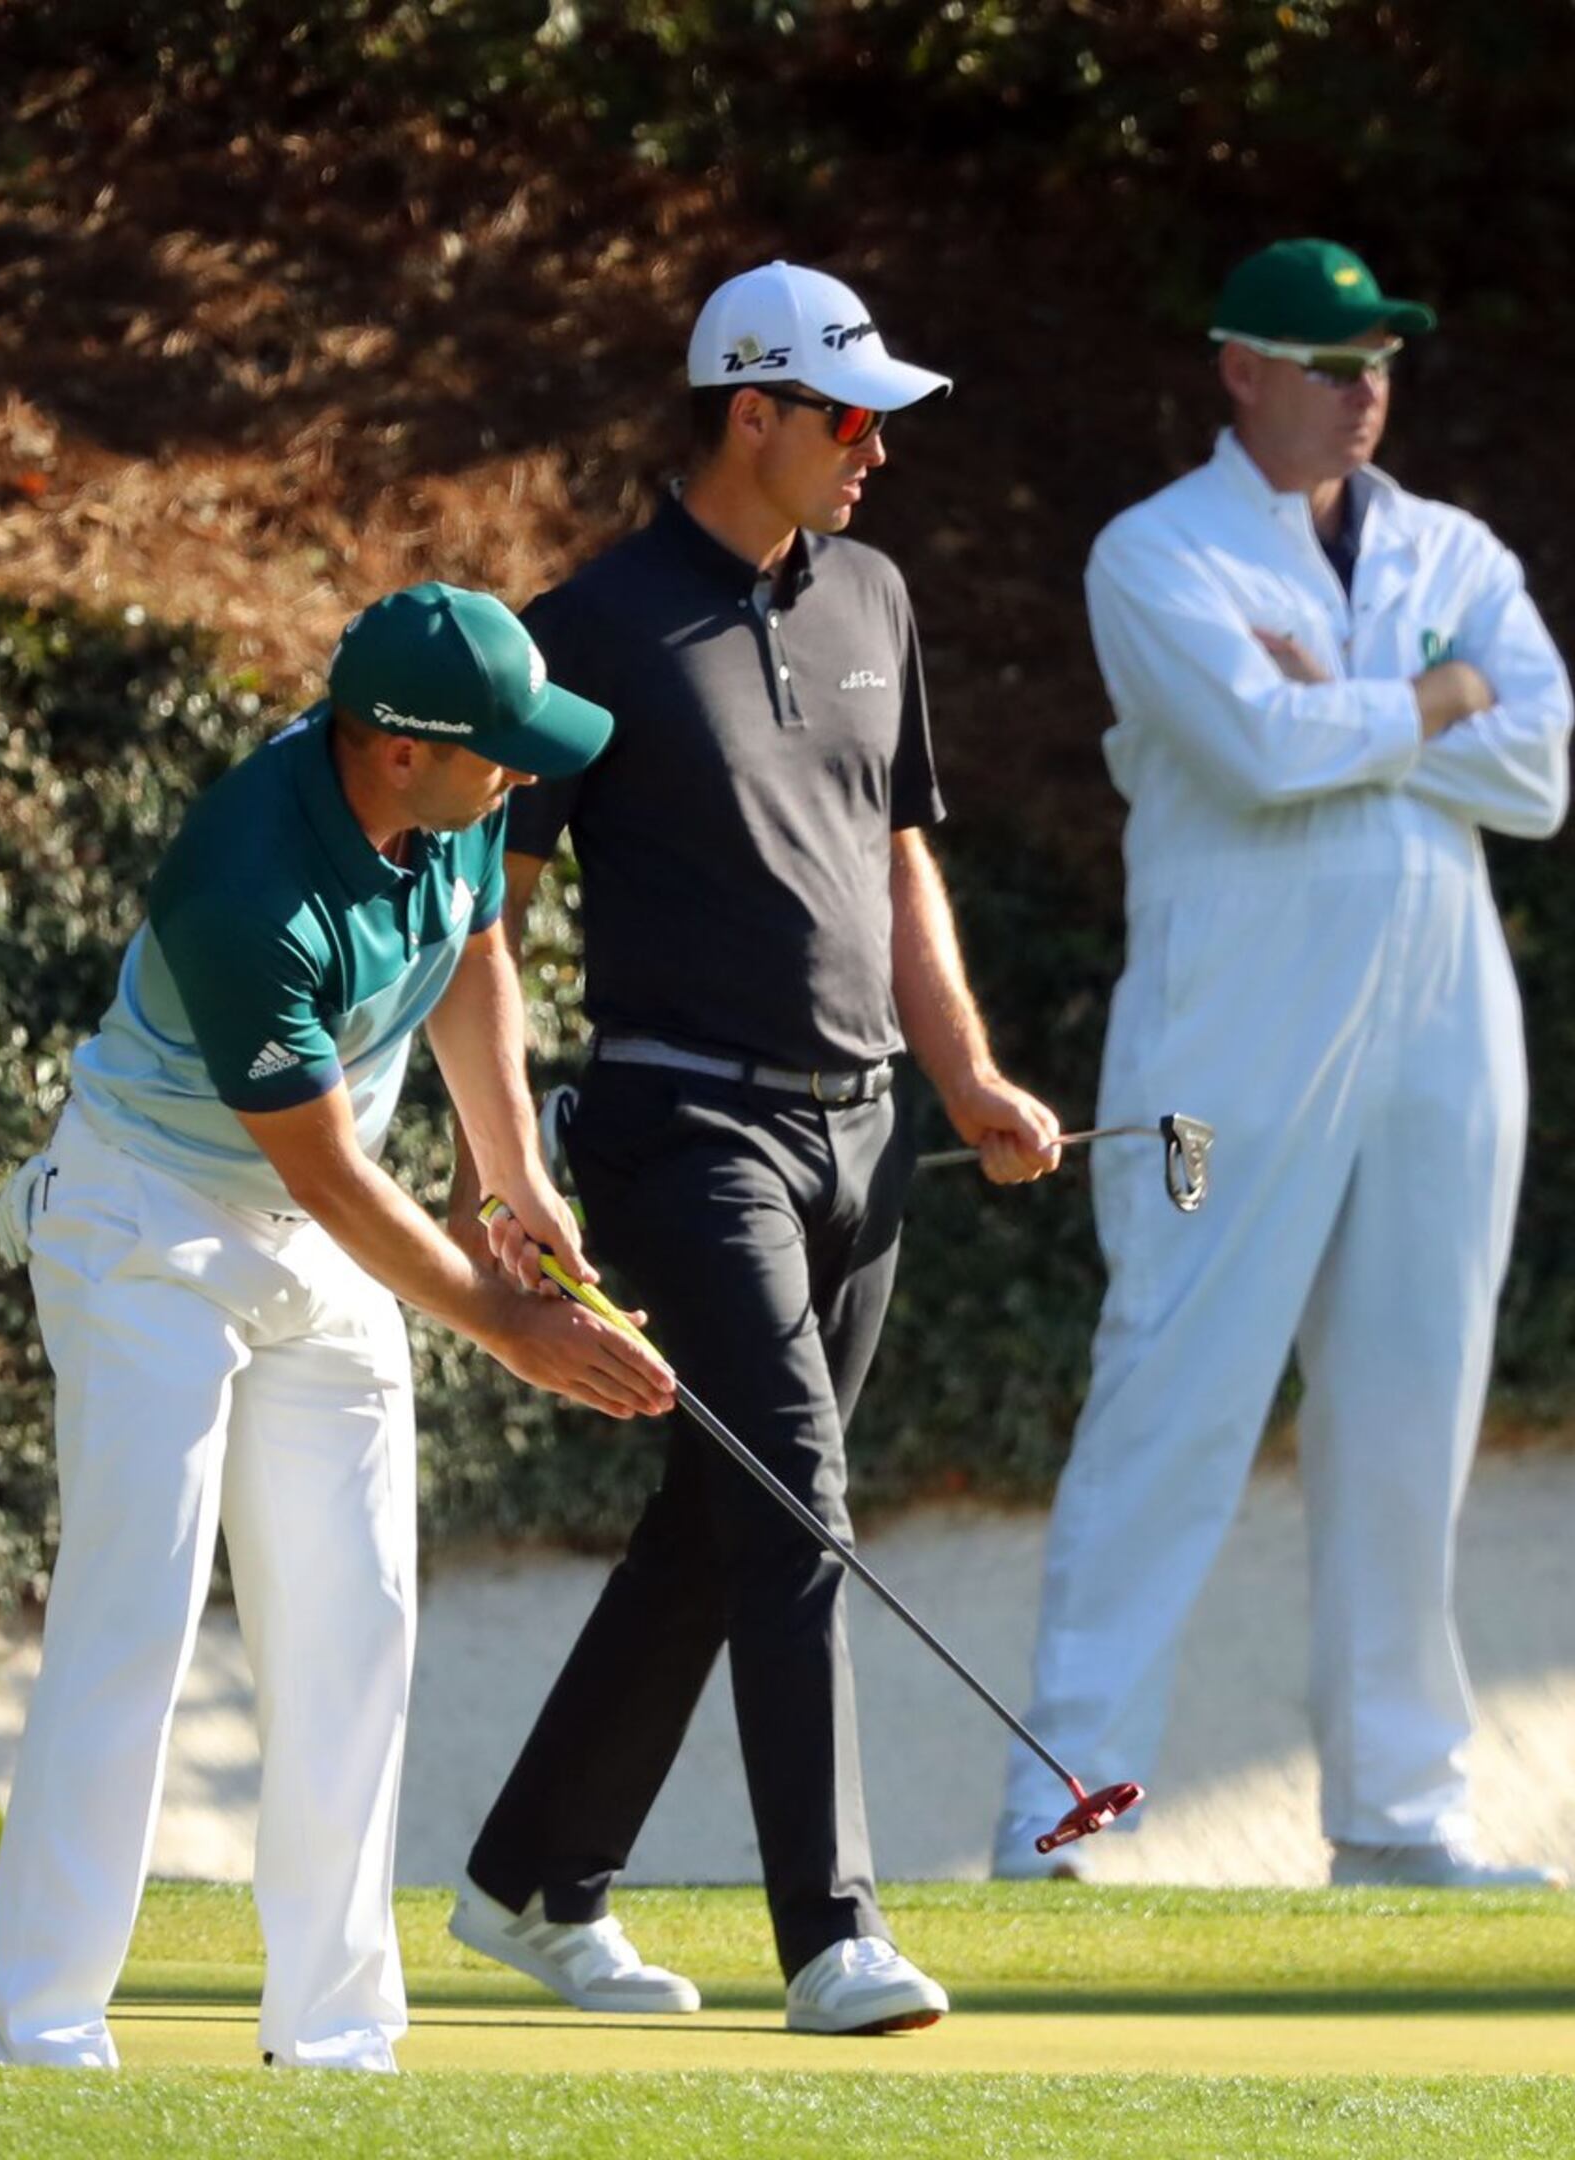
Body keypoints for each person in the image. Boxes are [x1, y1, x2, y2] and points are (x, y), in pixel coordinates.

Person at [446, 262, 1063, 2037]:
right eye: (852, 419)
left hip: (864, 1132)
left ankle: (533, 1885)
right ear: (752, 413)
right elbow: (488, 908)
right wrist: (505, 1157)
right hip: (683, 1121)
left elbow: (897, 855)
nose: (877, 452)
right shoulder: (596, 629)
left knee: (720, 1527)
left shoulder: (874, 591)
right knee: (795, 1495)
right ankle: (835, 1934)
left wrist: (968, 1073)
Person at [0, 583, 675, 2075]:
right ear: (400, 749)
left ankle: (338, 2038)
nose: (523, 775)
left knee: (357, 1629)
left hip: (326, 1242)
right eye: (499, 753)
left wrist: (511, 1178)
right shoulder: (246, 885)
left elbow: (476, 961)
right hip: (148, 1228)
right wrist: (508, 1326)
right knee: (136, 1620)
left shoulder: (462, 798)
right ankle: (47, 2033)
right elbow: (330, 1171)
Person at [996, 238, 1575, 1890]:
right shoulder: (1155, 553)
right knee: (1172, 1398)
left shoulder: (1454, 547)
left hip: (1443, 1012)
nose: (1363, 389)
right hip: (1229, 1025)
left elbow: (1535, 767)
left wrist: (1381, 705)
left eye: (1381, 358)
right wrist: (1434, 705)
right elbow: (1255, 753)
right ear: (1238, 368)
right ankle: (1060, 1816)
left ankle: (1399, 1817)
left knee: (1411, 1419)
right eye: (1329, 363)